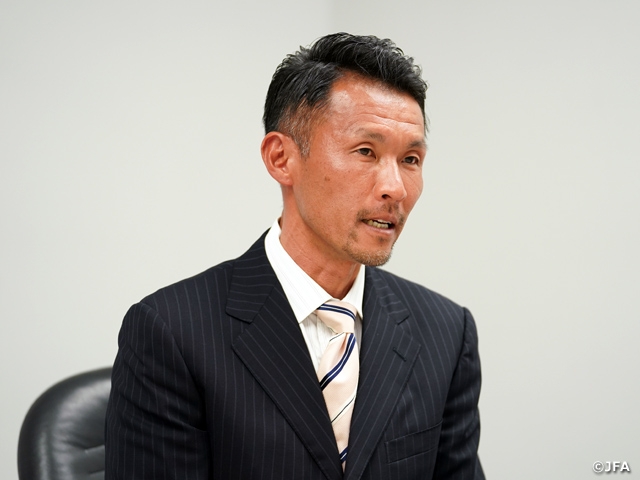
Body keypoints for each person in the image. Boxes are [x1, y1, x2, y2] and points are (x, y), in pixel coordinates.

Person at [105, 32, 484, 480]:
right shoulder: (171, 332)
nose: (395, 188)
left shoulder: (446, 332)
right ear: (281, 158)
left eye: (411, 159)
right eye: (366, 151)